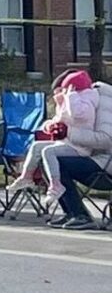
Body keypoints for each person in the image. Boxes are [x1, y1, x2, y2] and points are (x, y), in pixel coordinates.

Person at [6, 70, 99, 212]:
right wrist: (50, 125)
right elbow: (60, 119)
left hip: (80, 147)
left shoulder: (87, 101)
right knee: (37, 146)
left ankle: (56, 184)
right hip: (67, 143)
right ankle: (26, 177)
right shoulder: (70, 102)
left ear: (74, 89)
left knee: (49, 152)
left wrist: (70, 96)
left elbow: (78, 114)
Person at [36, 73, 112, 230]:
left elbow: (106, 139)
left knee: (58, 160)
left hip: (106, 162)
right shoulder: (82, 99)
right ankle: (72, 212)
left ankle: (81, 215)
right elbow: (64, 122)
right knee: (44, 155)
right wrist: (51, 126)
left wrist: (68, 133)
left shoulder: (104, 103)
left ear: (72, 88)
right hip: (90, 155)